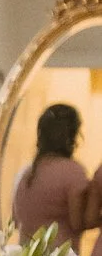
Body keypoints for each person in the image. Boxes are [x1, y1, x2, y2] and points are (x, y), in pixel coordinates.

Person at [14, 102, 92, 243]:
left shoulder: (24, 174)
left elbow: (15, 220)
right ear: (72, 137)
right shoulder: (73, 172)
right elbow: (77, 223)